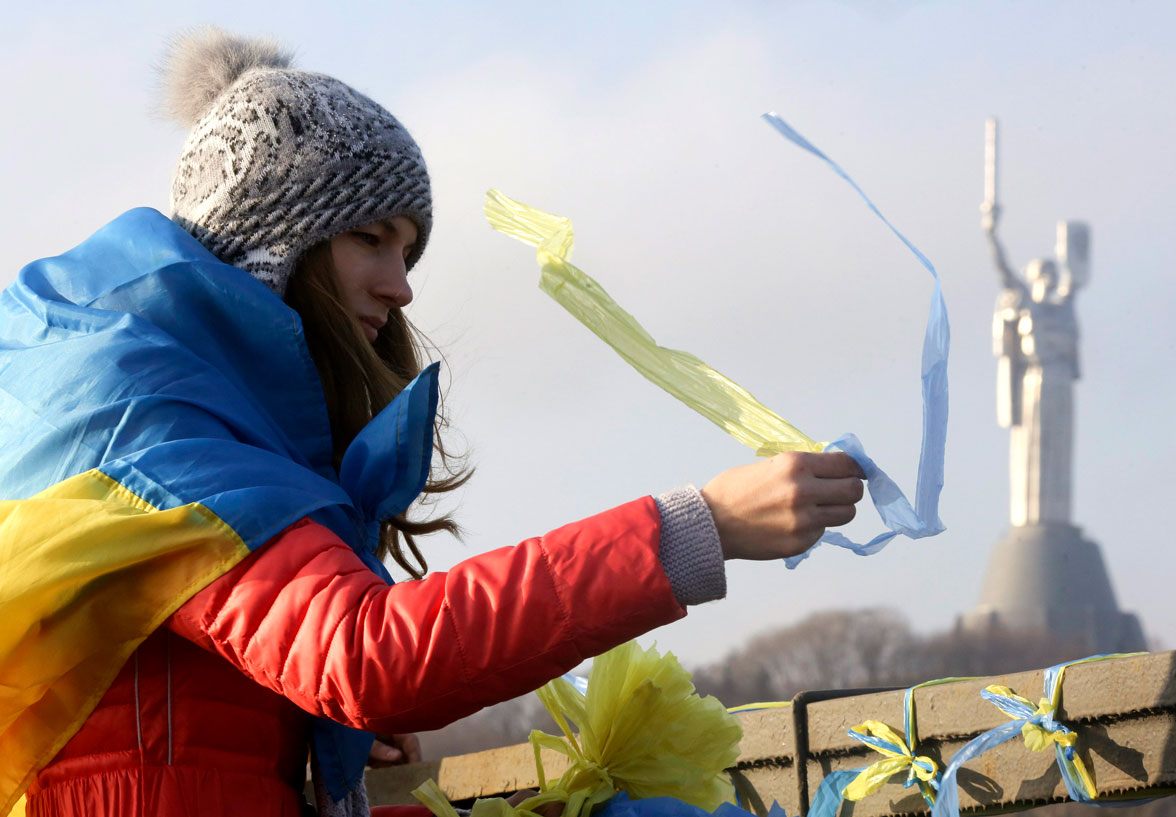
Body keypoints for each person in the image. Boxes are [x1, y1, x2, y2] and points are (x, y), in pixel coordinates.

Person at [0, 28, 865, 817]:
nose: (401, 284)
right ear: (273, 242)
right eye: (371, 240)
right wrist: (694, 528)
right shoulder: (147, 416)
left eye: (407, 251)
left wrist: (296, 720)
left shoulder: (159, 394)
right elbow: (369, 658)